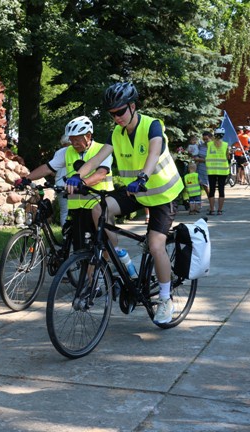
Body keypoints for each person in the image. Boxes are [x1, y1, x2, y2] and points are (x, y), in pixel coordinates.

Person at [65, 82, 183, 324]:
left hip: (162, 194)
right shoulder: (116, 134)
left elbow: (153, 152)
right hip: (136, 193)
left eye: (120, 112)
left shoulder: (152, 125)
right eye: (112, 114)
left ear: (132, 106)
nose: (117, 117)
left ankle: (165, 299)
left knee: (155, 245)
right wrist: (78, 176)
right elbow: (98, 158)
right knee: (100, 208)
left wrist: (142, 177)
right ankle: (117, 253)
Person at [17, 116, 113, 251]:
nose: (73, 142)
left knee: (103, 246)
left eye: (77, 139)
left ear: (88, 136)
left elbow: (101, 174)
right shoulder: (66, 152)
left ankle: (108, 267)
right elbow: (47, 168)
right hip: (76, 209)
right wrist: (27, 178)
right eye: (71, 139)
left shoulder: (102, 150)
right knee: (80, 249)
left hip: (98, 206)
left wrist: (82, 183)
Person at [206, 127, 230, 215]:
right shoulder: (226, 145)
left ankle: (212, 210)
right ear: (223, 135)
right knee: (221, 190)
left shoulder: (209, 144)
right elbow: (228, 157)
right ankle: (219, 211)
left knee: (211, 190)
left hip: (211, 170)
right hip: (222, 171)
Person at [54, 134, 71, 227]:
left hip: (59, 185)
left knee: (64, 212)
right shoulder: (74, 152)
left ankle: (65, 235)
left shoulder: (58, 152)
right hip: (72, 185)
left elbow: (53, 169)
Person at [194, 131, 211, 202]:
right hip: (199, 167)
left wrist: (200, 159)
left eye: (207, 139)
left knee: (207, 186)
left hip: (208, 168)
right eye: (204, 139)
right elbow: (196, 153)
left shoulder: (213, 147)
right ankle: (197, 204)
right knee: (201, 186)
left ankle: (211, 203)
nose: (205, 141)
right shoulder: (201, 145)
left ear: (211, 138)